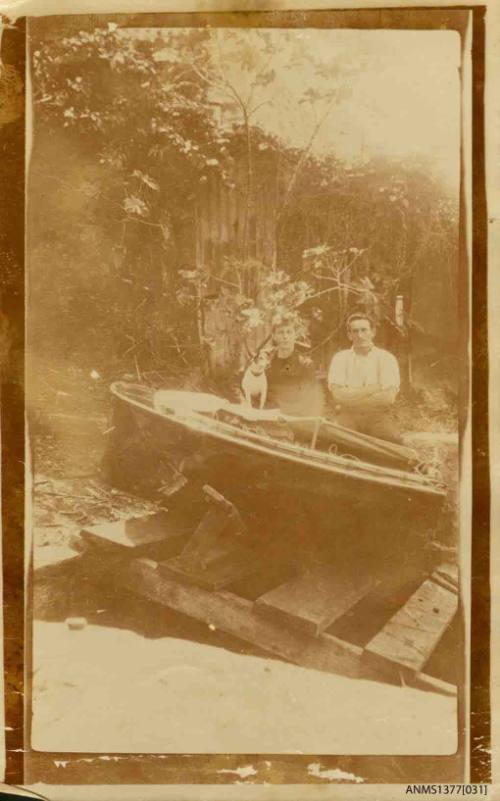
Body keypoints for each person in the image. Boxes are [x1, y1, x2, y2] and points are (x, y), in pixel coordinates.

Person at [327, 313, 401, 443]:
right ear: (349, 335)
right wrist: (374, 388)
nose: (360, 335)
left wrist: (352, 395)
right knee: (338, 444)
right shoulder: (340, 358)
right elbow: (338, 396)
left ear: (372, 332)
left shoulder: (386, 358)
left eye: (364, 330)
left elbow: (388, 398)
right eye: (355, 331)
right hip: (347, 416)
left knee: (391, 447)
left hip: (379, 416)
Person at [265, 318, 324, 417]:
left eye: (289, 332)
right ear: (273, 336)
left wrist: (280, 411)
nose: (285, 336)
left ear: (295, 335)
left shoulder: (305, 364)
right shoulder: (264, 358)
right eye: (281, 332)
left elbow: (308, 399)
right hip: (264, 412)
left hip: (290, 416)